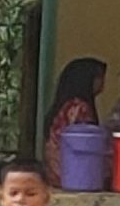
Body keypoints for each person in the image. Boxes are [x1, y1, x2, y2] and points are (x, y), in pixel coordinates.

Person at [43, 58, 107, 187]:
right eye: (100, 78)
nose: (103, 84)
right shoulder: (79, 107)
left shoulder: (65, 105)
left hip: (54, 171)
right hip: (72, 172)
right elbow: (85, 144)